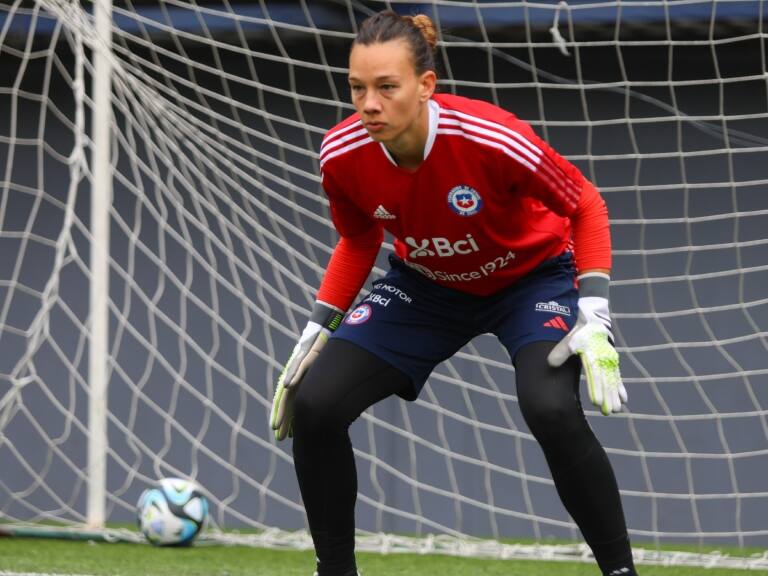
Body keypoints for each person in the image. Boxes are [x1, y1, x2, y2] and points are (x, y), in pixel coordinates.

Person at [270, 10, 636, 576]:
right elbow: (358, 238)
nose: (369, 104)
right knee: (316, 405)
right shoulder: (341, 153)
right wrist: (322, 321)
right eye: (358, 88)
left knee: (551, 409)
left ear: (425, 86)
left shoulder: (493, 135)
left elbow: (585, 204)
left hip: (531, 279)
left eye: (386, 88)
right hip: (427, 288)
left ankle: (620, 572)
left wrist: (594, 308)